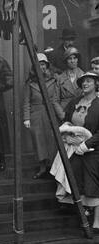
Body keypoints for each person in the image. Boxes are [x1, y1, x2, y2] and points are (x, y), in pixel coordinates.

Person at [52, 72, 99, 234]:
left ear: (96, 84)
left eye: (89, 81)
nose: (85, 84)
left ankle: (97, 222)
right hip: (74, 149)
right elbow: (66, 121)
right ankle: (84, 216)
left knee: (93, 182)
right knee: (76, 179)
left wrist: (85, 144)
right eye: (83, 82)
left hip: (93, 150)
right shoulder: (74, 102)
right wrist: (67, 135)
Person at [22, 53, 63, 179]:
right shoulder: (30, 83)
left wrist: (61, 115)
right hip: (36, 115)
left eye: (43, 64)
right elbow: (26, 101)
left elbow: (56, 98)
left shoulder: (54, 80)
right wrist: (26, 118)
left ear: (47, 66)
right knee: (39, 141)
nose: (42, 67)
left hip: (50, 114)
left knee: (52, 140)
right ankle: (42, 167)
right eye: (39, 65)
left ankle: (53, 168)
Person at [57, 47, 84, 115]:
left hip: (80, 112)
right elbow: (55, 100)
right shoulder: (60, 78)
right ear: (66, 61)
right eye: (70, 58)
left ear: (78, 59)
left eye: (75, 58)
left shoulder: (84, 76)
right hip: (65, 111)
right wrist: (61, 114)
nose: (72, 61)